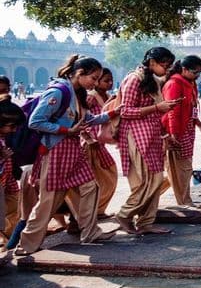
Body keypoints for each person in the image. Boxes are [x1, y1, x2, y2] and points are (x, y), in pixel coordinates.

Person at [14, 56, 119, 255]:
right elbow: (35, 121)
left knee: (91, 187)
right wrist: (66, 130)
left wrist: (113, 113)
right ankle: (26, 244)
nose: (95, 83)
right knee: (49, 201)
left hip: (73, 151)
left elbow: (88, 120)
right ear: (79, 73)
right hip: (55, 152)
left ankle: (90, 232)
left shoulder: (76, 94)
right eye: (93, 78)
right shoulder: (58, 92)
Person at [115, 47, 180, 236]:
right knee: (148, 180)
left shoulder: (153, 80)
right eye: (164, 65)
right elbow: (125, 111)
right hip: (136, 135)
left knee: (156, 179)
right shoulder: (134, 79)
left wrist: (165, 134)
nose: (167, 70)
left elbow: (156, 112)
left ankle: (146, 222)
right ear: (152, 62)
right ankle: (124, 214)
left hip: (152, 135)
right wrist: (157, 108)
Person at [162, 56, 201, 207]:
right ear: (184, 69)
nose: (197, 76)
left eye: (199, 73)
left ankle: (150, 196)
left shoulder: (190, 83)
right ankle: (184, 201)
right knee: (182, 169)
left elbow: (191, 108)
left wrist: (199, 124)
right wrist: (173, 134)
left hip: (187, 129)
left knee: (181, 169)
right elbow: (172, 112)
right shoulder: (174, 84)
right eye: (195, 72)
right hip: (177, 131)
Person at [85, 68, 118, 218]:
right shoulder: (91, 97)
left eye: (111, 80)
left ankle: (97, 210)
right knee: (108, 175)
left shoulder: (109, 96)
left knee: (103, 178)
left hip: (100, 143)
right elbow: (84, 119)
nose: (110, 83)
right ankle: (94, 211)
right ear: (96, 81)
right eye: (106, 80)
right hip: (91, 143)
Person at [0, 97, 24, 244]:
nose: (14, 130)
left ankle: (12, 237)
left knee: (15, 204)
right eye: (11, 126)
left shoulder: (4, 136)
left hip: (7, 177)